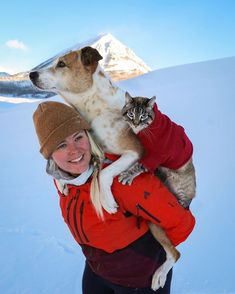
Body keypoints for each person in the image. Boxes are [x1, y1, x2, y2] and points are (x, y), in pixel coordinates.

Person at [33, 101, 195, 294]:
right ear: (50, 155)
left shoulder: (120, 180)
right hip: (97, 272)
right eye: (61, 144)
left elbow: (182, 223)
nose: (74, 150)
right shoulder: (64, 180)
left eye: (78, 137)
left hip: (141, 280)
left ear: (88, 136)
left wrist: (152, 256)